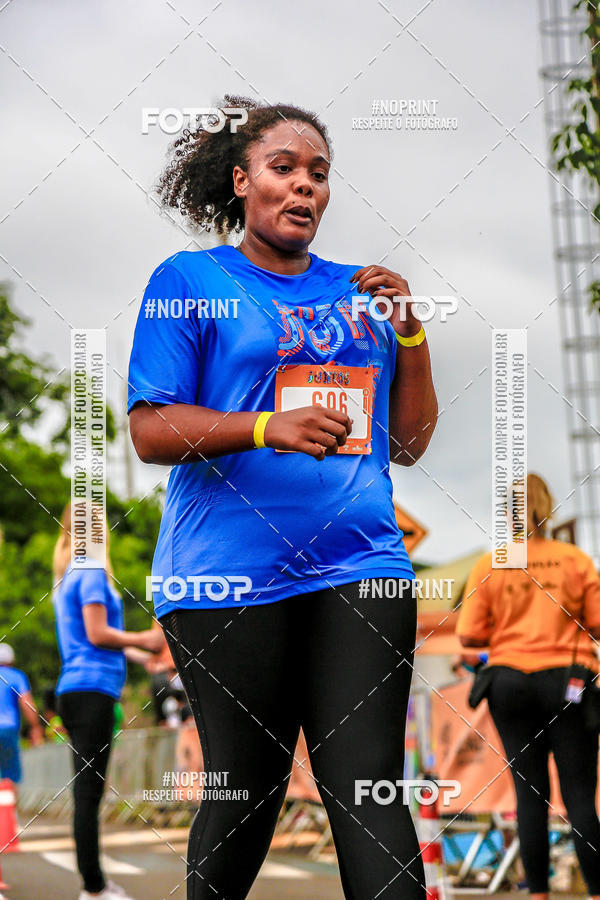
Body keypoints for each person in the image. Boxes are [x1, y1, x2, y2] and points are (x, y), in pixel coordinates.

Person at [128, 95, 438, 899]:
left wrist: (410, 333)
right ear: (241, 181)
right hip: (227, 575)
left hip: (361, 565)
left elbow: (405, 445)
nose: (305, 186)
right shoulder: (189, 279)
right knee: (248, 794)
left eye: (320, 174)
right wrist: (268, 425)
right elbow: (154, 430)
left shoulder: (362, 291)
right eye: (284, 168)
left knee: (370, 789)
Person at [456, 473, 600, 900]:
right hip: (567, 683)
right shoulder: (573, 560)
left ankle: (538, 894)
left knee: (529, 794)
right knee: (579, 797)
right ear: (548, 506)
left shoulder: (492, 563)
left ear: (508, 512)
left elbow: (468, 637)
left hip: (509, 682)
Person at [52, 502, 163, 900]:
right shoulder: (92, 572)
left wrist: (142, 656)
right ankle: (94, 889)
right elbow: (99, 634)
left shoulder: (67, 576)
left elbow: (92, 641)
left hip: (77, 689)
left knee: (87, 792)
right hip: (91, 692)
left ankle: (93, 884)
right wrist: (146, 640)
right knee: (88, 794)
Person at [0, 643, 43, 788]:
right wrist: (35, 727)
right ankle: (9, 809)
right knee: (10, 776)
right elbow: (27, 704)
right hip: (8, 729)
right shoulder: (17, 676)